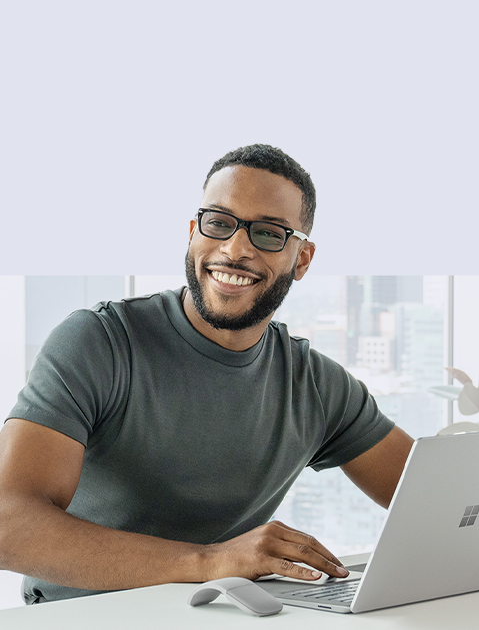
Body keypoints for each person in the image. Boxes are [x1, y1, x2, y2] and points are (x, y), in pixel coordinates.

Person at [0, 144, 414, 604]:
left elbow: (434, 498)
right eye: (219, 223)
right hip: (81, 616)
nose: (234, 249)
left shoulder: (315, 385)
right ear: (193, 231)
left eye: (269, 233)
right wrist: (209, 562)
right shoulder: (101, 343)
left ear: (302, 259)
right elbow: (7, 523)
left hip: (219, 615)